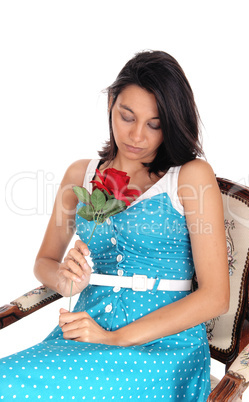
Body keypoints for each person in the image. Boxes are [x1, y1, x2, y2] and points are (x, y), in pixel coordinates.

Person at [0, 50, 230, 401]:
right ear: (111, 103)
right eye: (127, 117)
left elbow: (216, 296)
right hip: (87, 330)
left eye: (154, 124)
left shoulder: (190, 177)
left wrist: (118, 338)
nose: (137, 135)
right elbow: (43, 261)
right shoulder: (81, 174)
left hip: (163, 349)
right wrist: (64, 279)